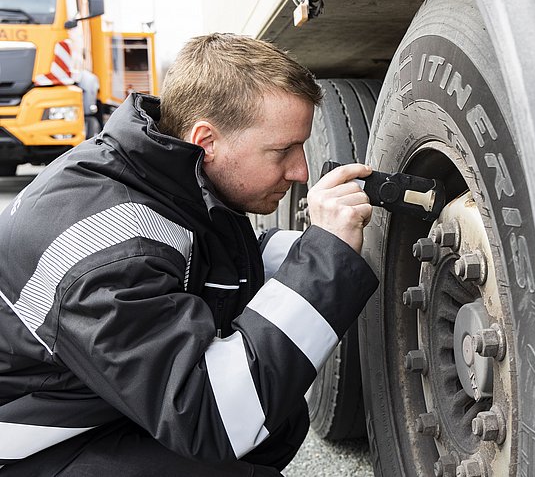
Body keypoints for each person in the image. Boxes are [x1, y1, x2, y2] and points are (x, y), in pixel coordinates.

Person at [0, 33, 378, 476]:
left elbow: (209, 268)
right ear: (206, 139)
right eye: (282, 151)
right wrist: (325, 262)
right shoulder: (110, 254)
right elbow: (209, 415)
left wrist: (333, 248)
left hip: (82, 405)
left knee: (278, 416)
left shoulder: (159, 171)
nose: (301, 172)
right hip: (26, 445)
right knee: (237, 424)